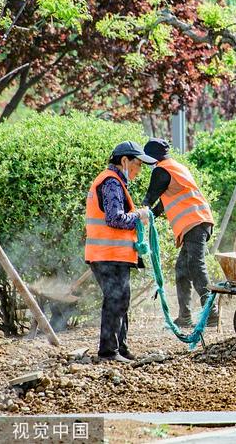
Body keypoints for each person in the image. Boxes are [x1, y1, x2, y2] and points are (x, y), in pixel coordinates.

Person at [85, 141, 156, 363]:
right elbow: (115, 219)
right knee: (116, 300)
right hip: (108, 254)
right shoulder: (111, 183)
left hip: (110, 254)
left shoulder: (113, 182)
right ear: (124, 161)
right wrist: (140, 215)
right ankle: (108, 353)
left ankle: (120, 348)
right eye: (138, 164)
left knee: (120, 299)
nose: (139, 170)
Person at [141, 138, 218, 328]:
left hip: (194, 223)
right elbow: (162, 203)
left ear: (152, 158)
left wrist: (141, 212)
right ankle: (185, 316)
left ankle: (211, 312)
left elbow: (151, 197)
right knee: (182, 269)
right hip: (198, 222)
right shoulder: (175, 167)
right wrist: (151, 215)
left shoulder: (161, 171)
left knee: (196, 266)